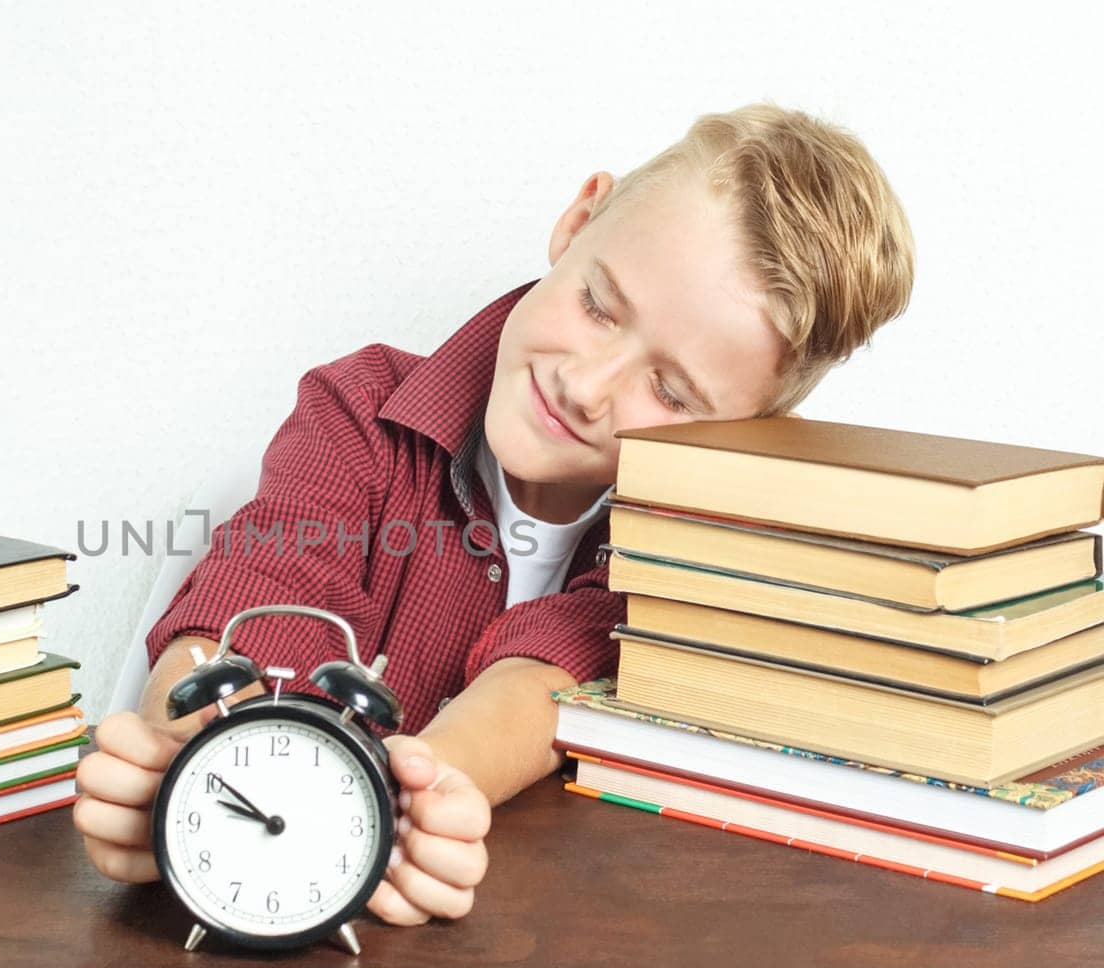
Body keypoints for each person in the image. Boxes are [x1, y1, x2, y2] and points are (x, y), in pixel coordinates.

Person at [73, 102, 916, 926]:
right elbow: (250, 606)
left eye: (668, 391)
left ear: (747, 434)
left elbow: (549, 675)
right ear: (579, 218)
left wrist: (418, 801)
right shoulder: (355, 415)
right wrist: (176, 756)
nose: (584, 388)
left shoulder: (685, 557)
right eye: (598, 304)